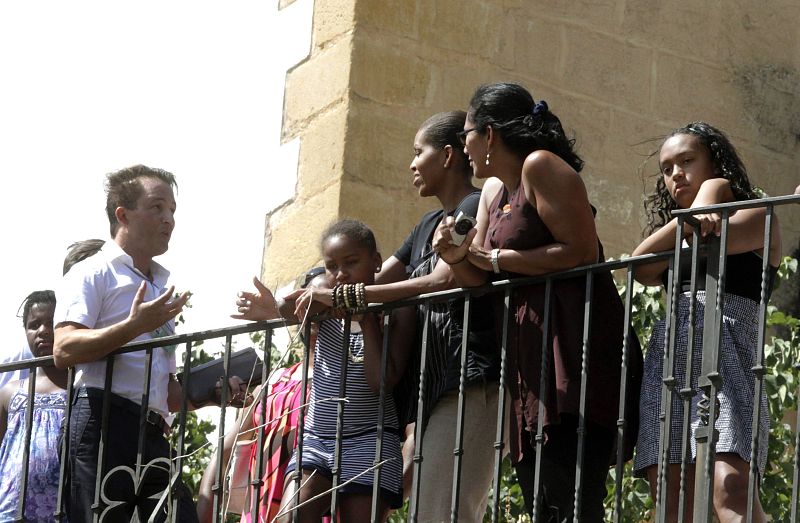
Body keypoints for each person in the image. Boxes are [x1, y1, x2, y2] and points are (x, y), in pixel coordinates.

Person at [433, 82, 627, 521]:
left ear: (489, 134)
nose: (462, 146)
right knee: (544, 500)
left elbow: (579, 250)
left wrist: (498, 258)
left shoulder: (540, 167)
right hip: (527, 362)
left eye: (465, 134)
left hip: (569, 349)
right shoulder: (491, 193)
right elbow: (477, 278)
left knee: (571, 497)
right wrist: (454, 255)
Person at [296, 111, 501, 521]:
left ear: (446, 156)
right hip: (437, 385)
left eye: (417, 152)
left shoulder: (473, 206)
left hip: (471, 376)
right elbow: (377, 279)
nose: (411, 164)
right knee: (431, 508)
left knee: (444, 511)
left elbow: (440, 282)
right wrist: (306, 298)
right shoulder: (425, 224)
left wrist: (353, 297)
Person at [632, 122, 781, 522]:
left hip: (728, 351)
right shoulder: (677, 234)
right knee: (673, 500)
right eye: (667, 168)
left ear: (714, 162)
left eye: (686, 161)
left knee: (729, 489)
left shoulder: (759, 217)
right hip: (672, 359)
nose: (675, 174)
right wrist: (687, 218)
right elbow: (641, 265)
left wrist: (715, 189)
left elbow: (715, 234)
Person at [53, 165, 199, 522]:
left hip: (151, 429)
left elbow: (167, 389)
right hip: (102, 419)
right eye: (157, 207)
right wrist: (133, 327)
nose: (169, 220)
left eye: (172, 211)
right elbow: (64, 348)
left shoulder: (159, 289)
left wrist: (219, 389)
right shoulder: (93, 271)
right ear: (123, 214)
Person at [277, 219, 414, 522]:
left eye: (351, 262)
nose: (340, 273)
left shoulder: (396, 309)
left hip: (370, 440)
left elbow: (381, 381)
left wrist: (366, 321)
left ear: (376, 262)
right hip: (317, 438)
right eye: (331, 266)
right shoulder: (322, 299)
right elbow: (287, 307)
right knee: (290, 518)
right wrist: (319, 296)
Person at [197, 267, 327, 523]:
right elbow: (224, 450)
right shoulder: (275, 382)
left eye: (323, 303)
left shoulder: (353, 378)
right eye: (308, 302)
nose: (316, 312)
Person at [0, 290, 66, 521]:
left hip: (63, 510)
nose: (43, 331)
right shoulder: (9, 392)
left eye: (51, 323)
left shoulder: (82, 390)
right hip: (11, 510)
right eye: (34, 325)